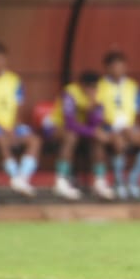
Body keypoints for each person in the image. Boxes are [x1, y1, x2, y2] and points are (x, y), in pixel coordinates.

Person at [0, 42, 41, 196]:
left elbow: (18, 106)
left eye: (1, 59)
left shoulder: (14, 80)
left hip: (12, 125)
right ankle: (14, 175)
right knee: (1, 140)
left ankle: (22, 177)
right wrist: (3, 128)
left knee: (34, 140)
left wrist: (14, 126)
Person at [99, 50, 140, 200]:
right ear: (108, 68)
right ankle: (119, 183)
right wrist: (116, 126)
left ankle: (133, 180)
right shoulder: (100, 86)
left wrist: (133, 128)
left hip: (130, 127)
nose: (118, 70)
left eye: (121, 66)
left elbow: (137, 111)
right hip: (109, 128)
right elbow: (97, 113)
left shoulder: (132, 86)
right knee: (118, 143)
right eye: (115, 66)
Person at [54, 70, 112, 199]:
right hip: (58, 127)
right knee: (71, 136)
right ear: (81, 86)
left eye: (95, 87)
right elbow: (69, 123)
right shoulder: (70, 93)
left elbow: (95, 123)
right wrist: (92, 131)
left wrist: (93, 109)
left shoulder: (98, 95)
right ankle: (61, 181)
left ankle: (99, 181)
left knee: (98, 139)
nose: (93, 90)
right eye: (90, 87)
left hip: (82, 130)